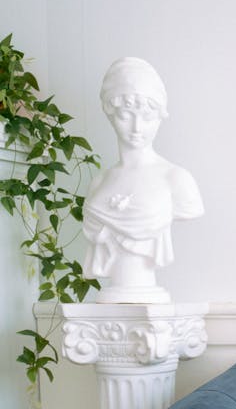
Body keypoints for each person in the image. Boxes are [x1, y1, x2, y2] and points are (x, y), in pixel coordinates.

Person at [84, 57, 203, 303]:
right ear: (110, 115)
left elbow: (190, 210)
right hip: (111, 298)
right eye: (126, 115)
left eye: (148, 117)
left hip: (149, 293)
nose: (137, 127)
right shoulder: (99, 182)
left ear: (160, 117)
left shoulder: (176, 179)